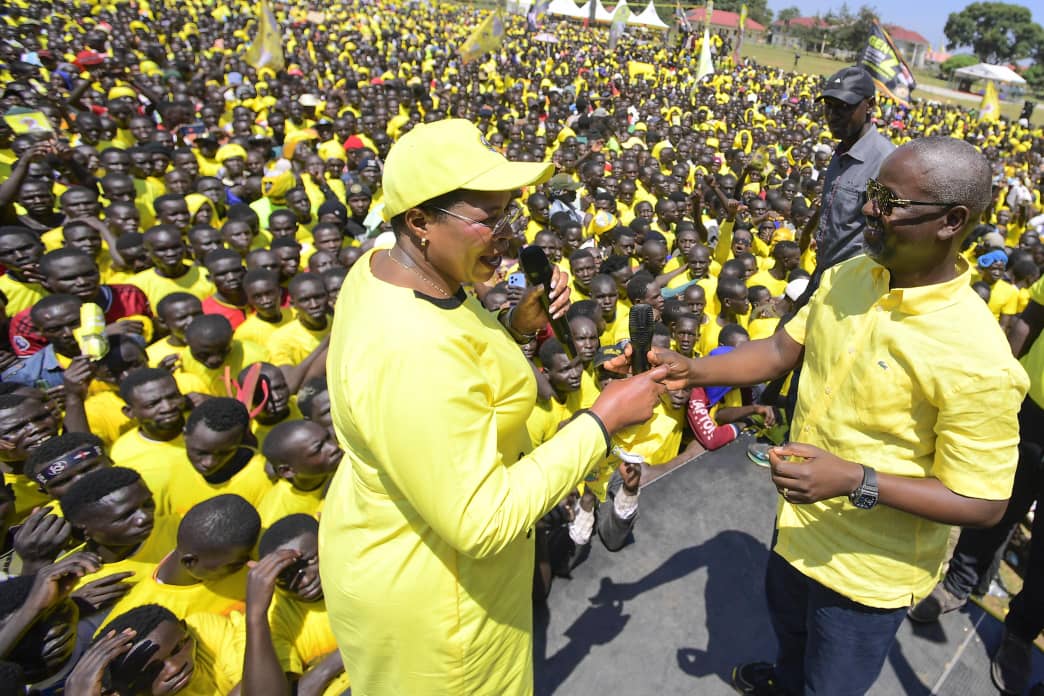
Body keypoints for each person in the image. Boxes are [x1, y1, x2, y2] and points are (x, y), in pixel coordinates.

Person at [626, 137, 1028, 695]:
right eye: (872, 192)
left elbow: (982, 502)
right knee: (790, 637)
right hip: (797, 528)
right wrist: (693, 370)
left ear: (951, 221)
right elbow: (777, 351)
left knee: (831, 682)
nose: (869, 209)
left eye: (889, 202)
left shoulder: (979, 358)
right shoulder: (850, 275)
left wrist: (855, 480)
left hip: (866, 574)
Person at [319, 118, 666, 696]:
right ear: (419, 221)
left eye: (510, 215)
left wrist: (514, 328)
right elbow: (482, 520)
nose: (507, 237)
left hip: (416, 556)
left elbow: (460, 371)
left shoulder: (391, 263)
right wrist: (601, 421)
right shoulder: (411, 349)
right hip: (442, 611)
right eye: (489, 220)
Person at [811, 66, 895, 275]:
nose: (832, 115)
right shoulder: (841, 151)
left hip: (854, 279)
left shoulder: (885, 162)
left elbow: (887, 232)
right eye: (828, 106)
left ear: (870, 105)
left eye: (843, 107)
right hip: (825, 272)